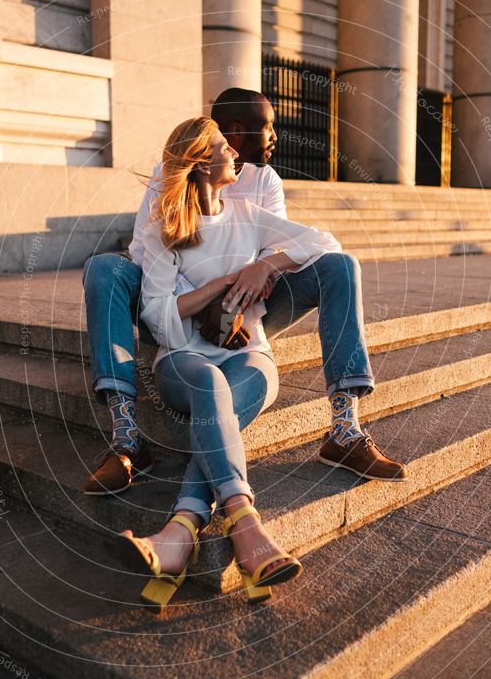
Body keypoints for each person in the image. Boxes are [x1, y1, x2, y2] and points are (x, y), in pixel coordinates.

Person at [82, 87, 407, 495]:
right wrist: (208, 300)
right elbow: (147, 254)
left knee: (339, 267)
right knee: (105, 268)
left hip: (250, 308)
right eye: (266, 128)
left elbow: (287, 249)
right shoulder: (169, 176)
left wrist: (263, 268)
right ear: (233, 134)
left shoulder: (262, 181)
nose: (274, 137)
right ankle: (127, 438)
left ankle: (344, 429)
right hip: (175, 311)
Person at [116, 115, 344, 609]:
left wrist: (265, 263)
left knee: (224, 387)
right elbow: (158, 316)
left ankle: (181, 531)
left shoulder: (248, 213)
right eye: (224, 146)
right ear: (202, 164)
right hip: (182, 360)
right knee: (209, 384)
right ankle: (244, 525)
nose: (236, 153)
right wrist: (218, 287)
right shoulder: (166, 229)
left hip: (251, 359)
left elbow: (324, 242)